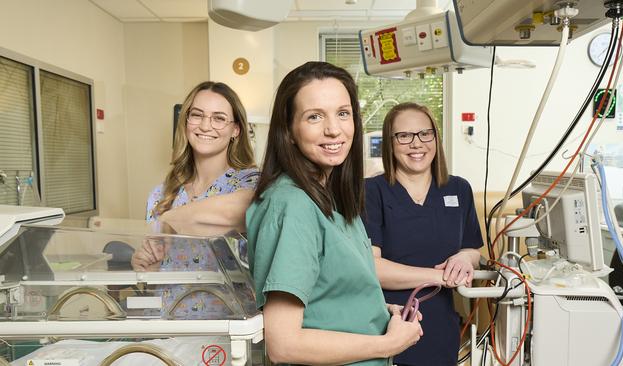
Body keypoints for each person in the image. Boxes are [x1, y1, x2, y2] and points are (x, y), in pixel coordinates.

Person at [245, 61, 422, 365]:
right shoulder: (293, 205)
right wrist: (387, 343)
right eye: (314, 116)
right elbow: (284, 344)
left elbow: (329, 299)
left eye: (343, 113)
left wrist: (379, 314)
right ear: (288, 130)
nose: (333, 129)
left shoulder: (333, 200)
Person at [363, 102, 483, 366]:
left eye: (424, 134)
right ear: (390, 143)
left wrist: (464, 259)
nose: (416, 144)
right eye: (404, 136)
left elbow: (473, 248)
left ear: (435, 138)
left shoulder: (459, 189)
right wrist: (440, 276)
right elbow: (372, 267)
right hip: (388, 323)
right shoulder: (372, 192)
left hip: (440, 328)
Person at [131, 81, 259, 318]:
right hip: (164, 326)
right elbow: (156, 276)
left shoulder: (249, 182)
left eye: (219, 118)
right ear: (186, 122)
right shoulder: (162, 194)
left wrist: (169, 220)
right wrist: (146, 267)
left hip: (223, 329)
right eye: (197, 115)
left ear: (236, 130)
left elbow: (241, 211)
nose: (205, 125)